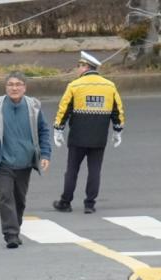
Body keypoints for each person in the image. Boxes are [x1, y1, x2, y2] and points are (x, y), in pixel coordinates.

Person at [0, 71, 51, 249]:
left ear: (24, 88)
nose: (14, 88)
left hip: (25, 162)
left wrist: (45, 155)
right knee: (6, 196)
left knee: (20, 199)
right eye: (10, 84)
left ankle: (15, 227)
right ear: (6, 87)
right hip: (3, 162)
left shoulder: (33, 106)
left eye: (18, 84)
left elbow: (43, 131)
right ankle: (10, 234)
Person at [52, 51, 125, 214]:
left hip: (78, 135)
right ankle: (89, 204)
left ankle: (66, 201)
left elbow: (64, 109)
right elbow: (117, 110)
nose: (77, 69)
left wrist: (58, 130)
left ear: (85, 67)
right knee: (94, 170)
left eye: (79, 66)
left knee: (72, 169)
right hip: (99, 136)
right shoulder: (109, 86)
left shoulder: (74, 85)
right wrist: (117, 131)